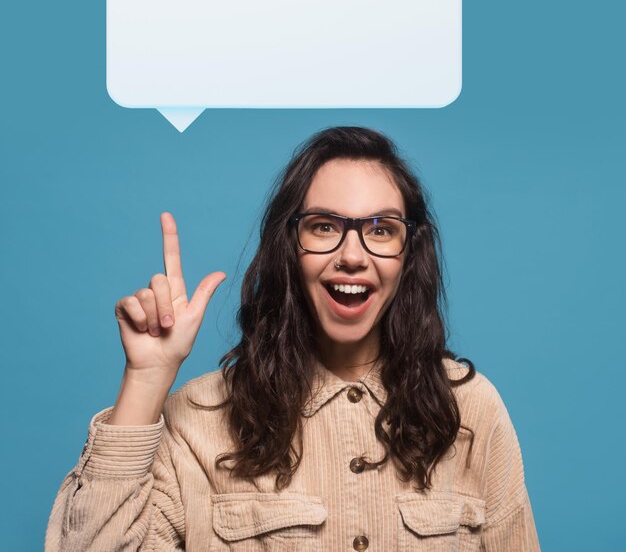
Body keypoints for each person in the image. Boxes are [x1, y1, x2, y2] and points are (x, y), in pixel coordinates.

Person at [45, 126, 541, 551]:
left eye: (381, 229)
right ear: (289, 248)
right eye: (324, 226)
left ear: (409, 254)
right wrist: (146, 379)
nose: (352, 255)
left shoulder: (471, 409)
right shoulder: (197, 424)